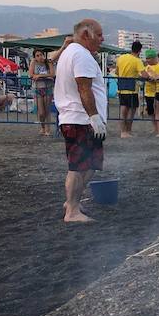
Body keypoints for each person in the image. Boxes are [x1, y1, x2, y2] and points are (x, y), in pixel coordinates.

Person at [53, 19, 107, 223]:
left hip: (78, 118)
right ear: (86, 34)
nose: (102, 39)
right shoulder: (80, 55)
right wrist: (94, 117)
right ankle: (72, 211)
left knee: (90, 164)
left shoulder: (73, 52)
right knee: (78, 166)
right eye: (99, 35)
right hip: (81, 119)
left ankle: (71, 202)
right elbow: (84, 88)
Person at [115, 40, 150, 138]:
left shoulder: (121, 58)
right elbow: (144, 74)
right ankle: (128, 131)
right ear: (139, 51)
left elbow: (117, 72)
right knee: (131, 111)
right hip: (132, 88)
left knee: (123, 110)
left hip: (121, 87)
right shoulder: (137, 60)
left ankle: (123, 132)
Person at [28, 49, 55, 135]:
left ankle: (48, 129)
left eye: (41, 55)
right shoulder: (33, 63)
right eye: (37, 55)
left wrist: (39, 75)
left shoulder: (48, 62)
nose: (40, 57)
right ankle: (42, 127)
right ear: (35, 57)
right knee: (41, 112)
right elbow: (31, 74)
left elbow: (52, 74)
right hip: (37, 88)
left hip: (48, 87)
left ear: (44, 55)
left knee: (47, 110)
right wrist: (38, 76)